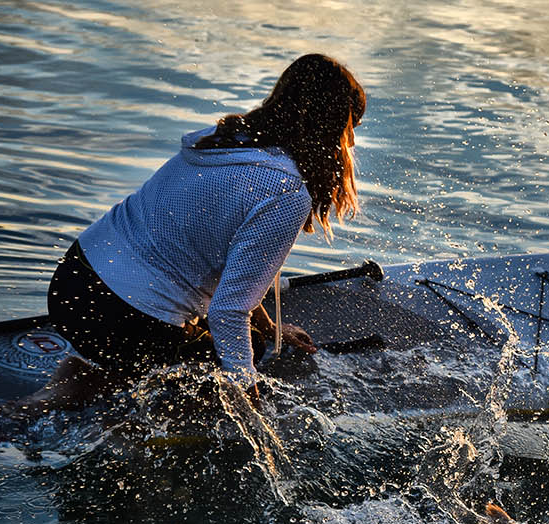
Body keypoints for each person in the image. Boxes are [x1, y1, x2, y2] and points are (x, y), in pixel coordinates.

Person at [22, 53, 364, 410]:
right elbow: (228, 311)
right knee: (237, 357)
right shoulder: (286, 190)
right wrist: (245, 395)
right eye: (350, 126)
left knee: (233, 336)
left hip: (72, 285)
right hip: (124, 319)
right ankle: (95, 402)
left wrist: (270, 326)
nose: (351, 143)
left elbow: (237, 269)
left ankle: (88, 369)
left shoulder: (222, 141)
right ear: (329, 126)